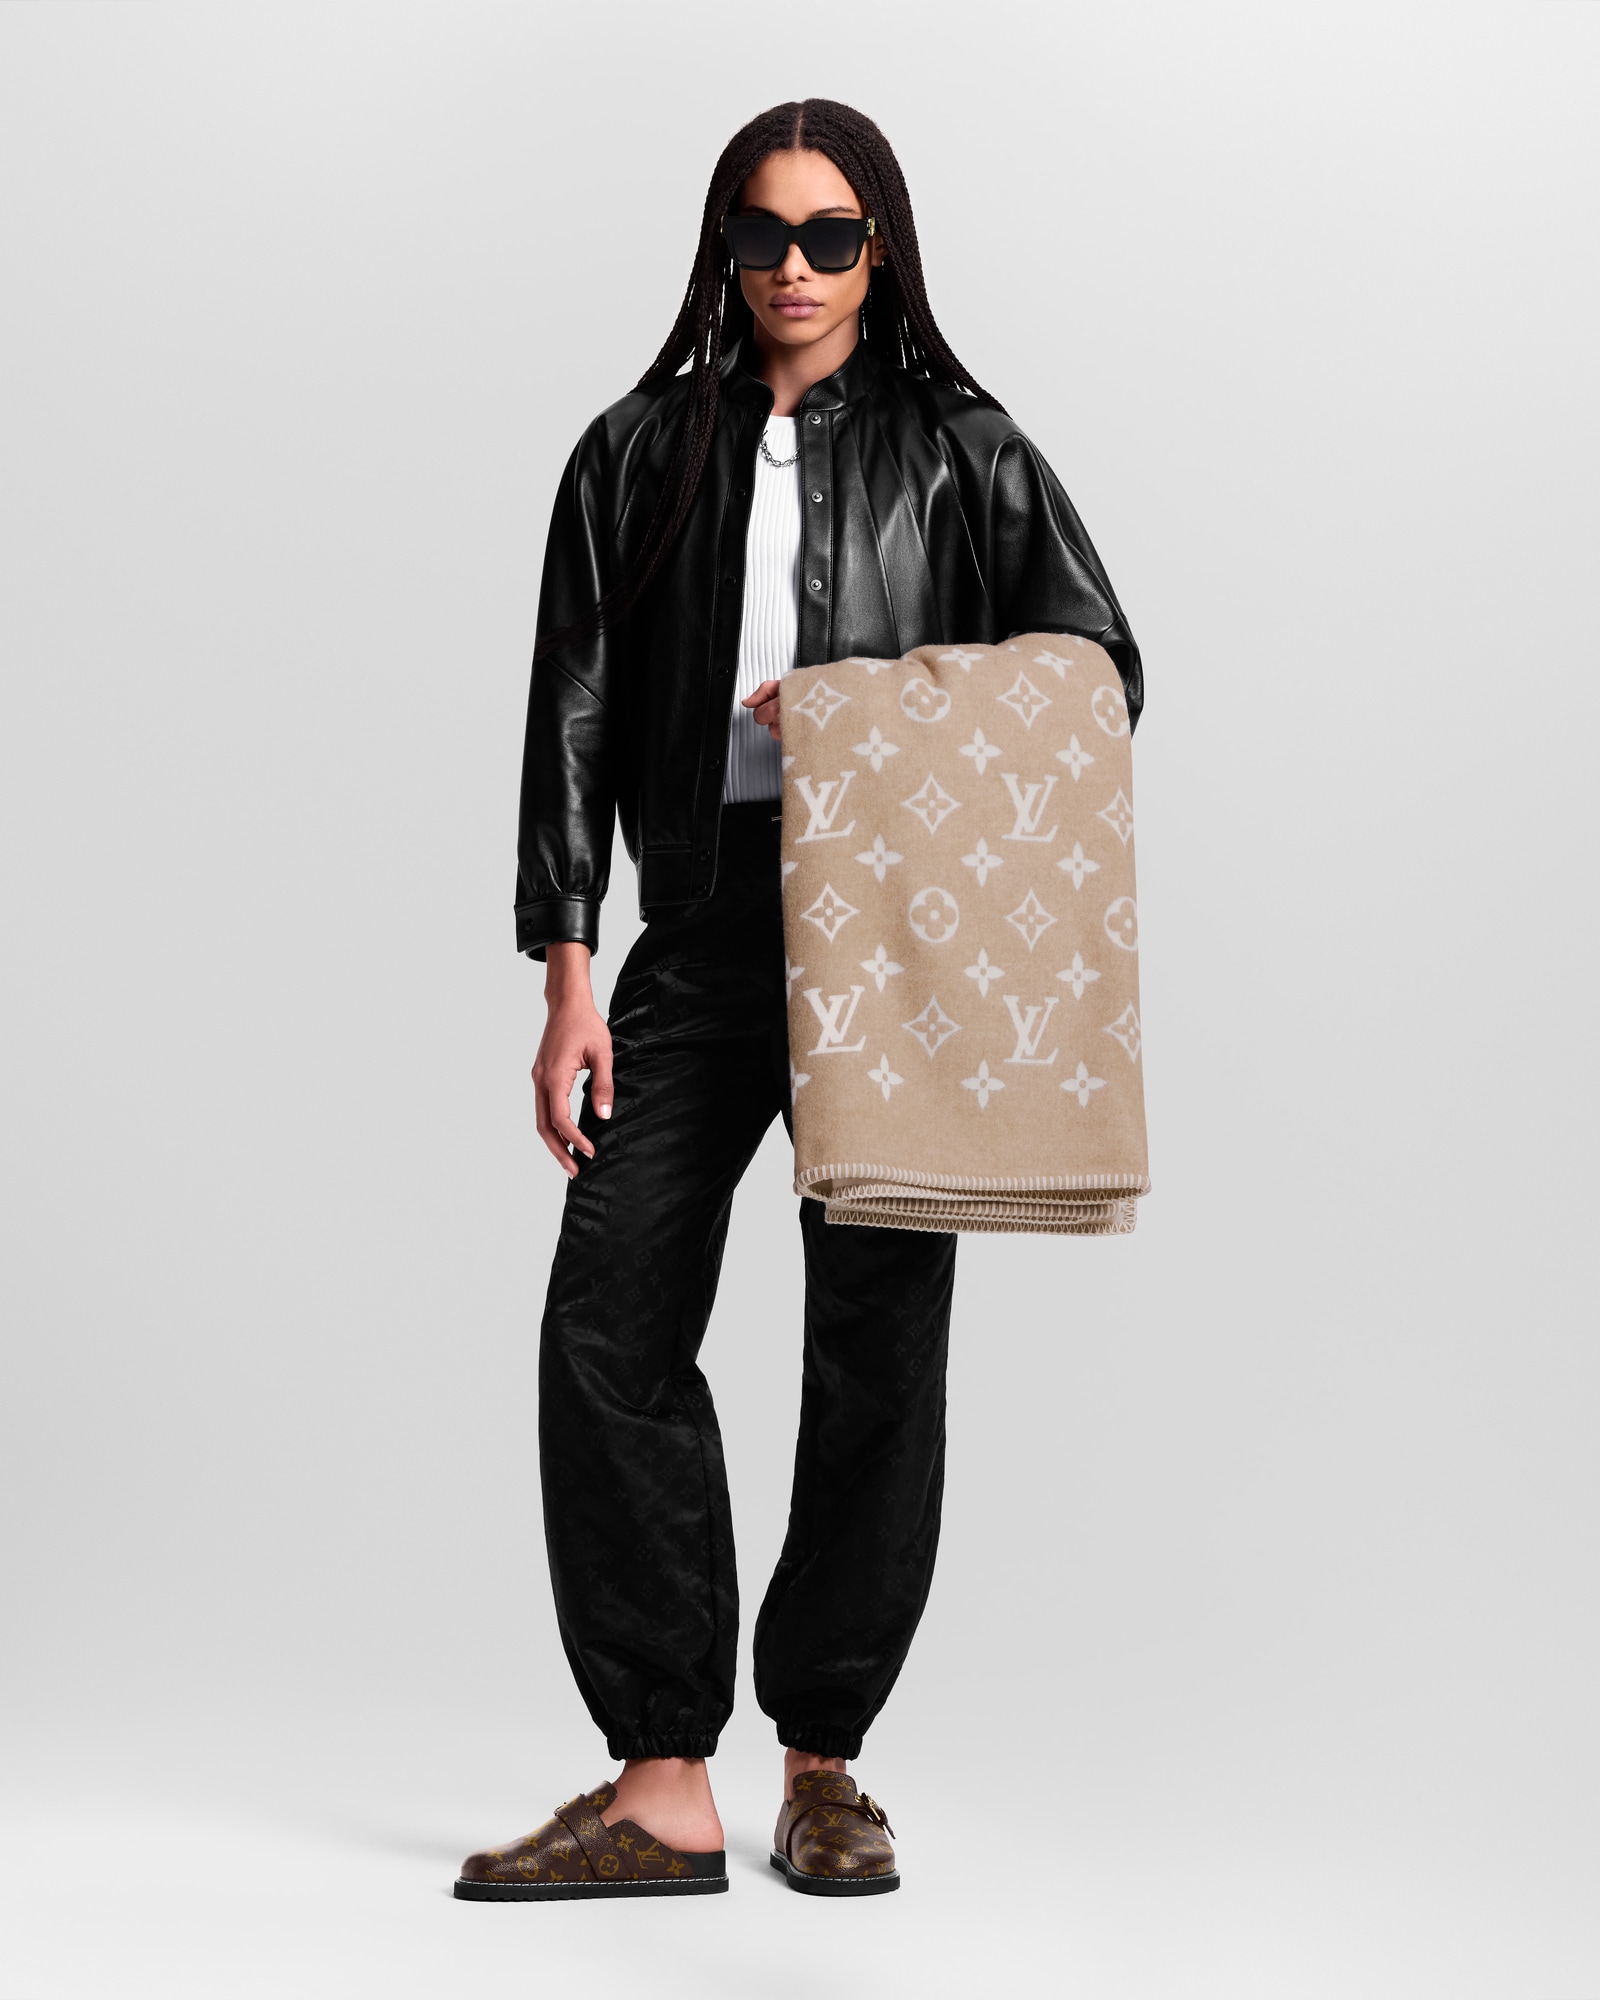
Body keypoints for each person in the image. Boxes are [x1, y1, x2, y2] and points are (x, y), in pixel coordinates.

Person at [455, 98, 1142, 1903]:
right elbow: (571, 713)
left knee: (875, 1350)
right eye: (763, 235)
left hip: (891, 940)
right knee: (608, 1320)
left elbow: (1097, 672)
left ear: (879, 248)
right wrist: (566, 973)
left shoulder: (965, 449)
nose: (794, 269)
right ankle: (663, 1781)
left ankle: (824, 1762)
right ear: (724, 247)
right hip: (694, 936)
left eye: (830, 236)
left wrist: (865, 717)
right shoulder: (634, 452)